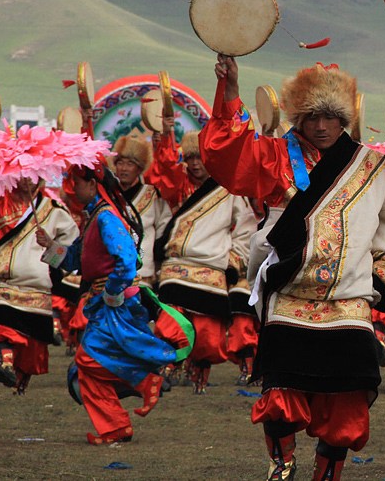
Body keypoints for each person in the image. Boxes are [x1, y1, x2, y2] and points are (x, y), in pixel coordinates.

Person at [201, 54, 385, 481]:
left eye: (330, 117)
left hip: (349, 301)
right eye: (311, 116)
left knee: (349, 400)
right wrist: (229, 93)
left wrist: (380, 281)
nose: (320, 126)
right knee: (281, 390)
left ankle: (326, 475)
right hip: (289, 293)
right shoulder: (274, 156)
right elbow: (226, 158)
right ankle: (281, 464)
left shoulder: (372, 169)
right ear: (297, 117)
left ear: (345, 118)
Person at [36, 162, 193, 444]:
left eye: (77, 182)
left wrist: (111, 291)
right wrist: (49, 245)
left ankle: (145, 381)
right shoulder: (95, 216)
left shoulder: (106, 217)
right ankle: (115, 427)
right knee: (87, 370)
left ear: (93, 184)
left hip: (116, 305)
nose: (72, 188)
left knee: (88, 359)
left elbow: (126, 262)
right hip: (105, 304)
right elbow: (75, 261)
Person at [147, 120, 255, 394]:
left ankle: (198, 372)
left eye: (201, 158)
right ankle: (169, 367)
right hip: (176, 267)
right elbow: (164, 171)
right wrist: (164, 138)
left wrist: (233, 262)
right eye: (191, 157)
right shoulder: (177, 185)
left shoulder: (229, 191)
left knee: (208, 332)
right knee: (172, 320)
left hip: (212, 267)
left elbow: (244, 230)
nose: (195, 164)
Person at [0, 125, 80, 394]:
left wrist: (52, 246)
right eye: (22, 171)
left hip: (38, 288)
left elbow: (72, 253)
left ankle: (18, 374)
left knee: (33, 349)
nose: (26, 179)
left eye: (32, 173)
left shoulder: (56, 212)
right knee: (1, 327)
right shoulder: (0, 200)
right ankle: (5, 364)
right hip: (5, 284)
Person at [110, 131, 170, 289]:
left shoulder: (152, 194)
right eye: (120, 163)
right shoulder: (109, 195)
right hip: (111, 271)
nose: (124, 168)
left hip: (143, 271)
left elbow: (164, 228)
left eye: (130, 164)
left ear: (139, 169)